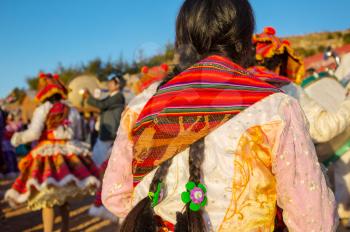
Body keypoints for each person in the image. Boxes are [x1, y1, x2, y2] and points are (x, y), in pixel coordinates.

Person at [102, 0, 337, 231]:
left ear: (182, 38)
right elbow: (314, 221)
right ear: (244, 40)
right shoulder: (275, 107)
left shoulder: (141, 105)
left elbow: (116, 196)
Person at [251, 27, 350, 227]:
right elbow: (323, 129)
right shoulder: (288, 90)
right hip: (286, 197)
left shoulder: (238, 90)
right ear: (281, 63)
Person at [5, 73, 100, 232]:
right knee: (62, 198)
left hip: (48, 154)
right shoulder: (72, 110)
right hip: (69, 152)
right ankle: (65, 229)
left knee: (48, 199)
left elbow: (34, 134)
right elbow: (78, 133)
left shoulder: (42, 109)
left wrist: (17, 138)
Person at [84, 73, 125, 166]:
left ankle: (97, 174)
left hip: (110, 131)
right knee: (100, 156)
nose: (108, 84)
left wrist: (88, 97)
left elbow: (102, 105)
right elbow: (102, 105)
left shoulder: (118, 96)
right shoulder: (112, 96)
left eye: (111, 83)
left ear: (118, 85)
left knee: (98, 157)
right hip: (107, 132)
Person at [2, 113, 20, 178]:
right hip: (7, 144)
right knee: (9, 157)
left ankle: (12, 171)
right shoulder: (6, 126)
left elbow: (16, 130)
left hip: (8, 144)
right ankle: (12, 170)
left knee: (10, 157)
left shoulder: (11, 125)